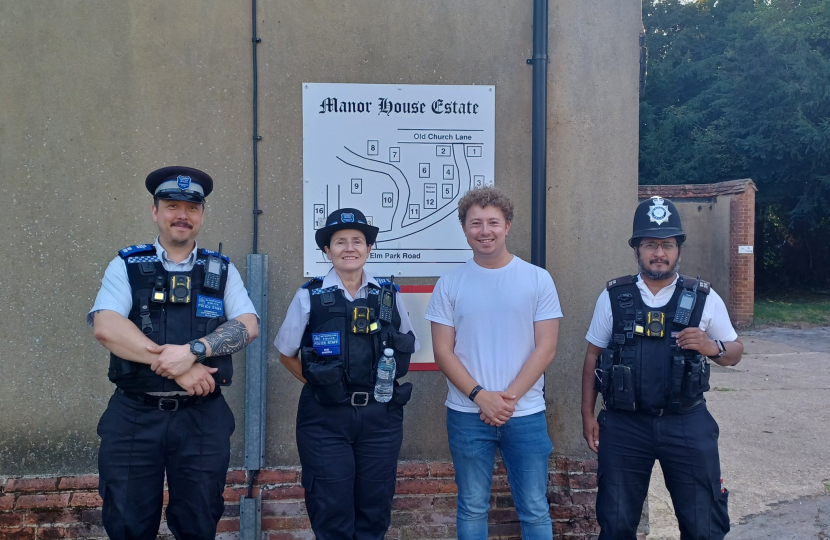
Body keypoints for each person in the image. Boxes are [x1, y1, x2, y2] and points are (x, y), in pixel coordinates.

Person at [89, 166, 260, 540]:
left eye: (192, 208)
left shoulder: (222, 271)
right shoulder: (127, 266)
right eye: (172, 205)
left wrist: (195, 351)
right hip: (135, 414)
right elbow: (107, 326)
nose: (182, 215)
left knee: (199, 520)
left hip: (201, 418)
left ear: (201, 215)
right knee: (128, 521)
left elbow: (248, 325)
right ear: (155, 211)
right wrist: (177, 367)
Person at [581, 196, 743, 540]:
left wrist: (710, 346)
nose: (659, 253)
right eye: (650, 244)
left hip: (686, 422)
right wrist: (588, 416)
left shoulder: (703, 297)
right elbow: (593, 355)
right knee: (616, 524)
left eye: (666, 244)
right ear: (636, 250)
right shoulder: (613, 296)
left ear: (678, 249)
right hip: (625, 427)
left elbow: (735, 352)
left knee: (703, 525)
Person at [425, 187, 562, 540]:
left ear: (507, 226)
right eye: (475, 223)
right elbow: (443, 352)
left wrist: (507, 399)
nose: (484, 231)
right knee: (472, 506)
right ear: (464, 228)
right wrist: (480, 396)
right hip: (467, 414)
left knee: (533, 506)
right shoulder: (449, 283)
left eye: (493, 222)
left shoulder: (537, 279)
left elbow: (545, 348)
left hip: (527, 413)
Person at [273, 207, 419, 540]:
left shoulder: (389, 296)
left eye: (358, 241)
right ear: (327, 250)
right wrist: (326, 388)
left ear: (369, 249)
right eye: (340, 242)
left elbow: (408, 343)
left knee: (374, 509)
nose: (349, 248)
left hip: (380, 417)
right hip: (325, 419)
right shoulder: (309, 296)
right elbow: (286, 354)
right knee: (331, 509)